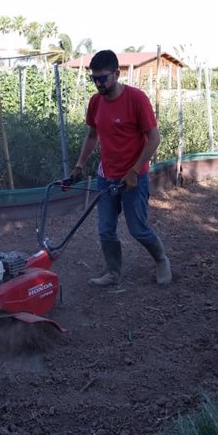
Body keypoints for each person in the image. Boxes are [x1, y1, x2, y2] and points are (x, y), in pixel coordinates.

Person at [70, 49, 171, 286]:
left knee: (138, 229)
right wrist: (79, 165)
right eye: (94, 78)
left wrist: (135, 171)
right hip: (107, 176)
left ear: (116, 74)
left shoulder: (136, 99)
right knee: (105, 230)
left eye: (102, 78)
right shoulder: (95, 102)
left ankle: (161, 259)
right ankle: (113, 273)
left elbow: (154, 138)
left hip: (134, 177)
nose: (98, 83)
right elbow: (92, 135)